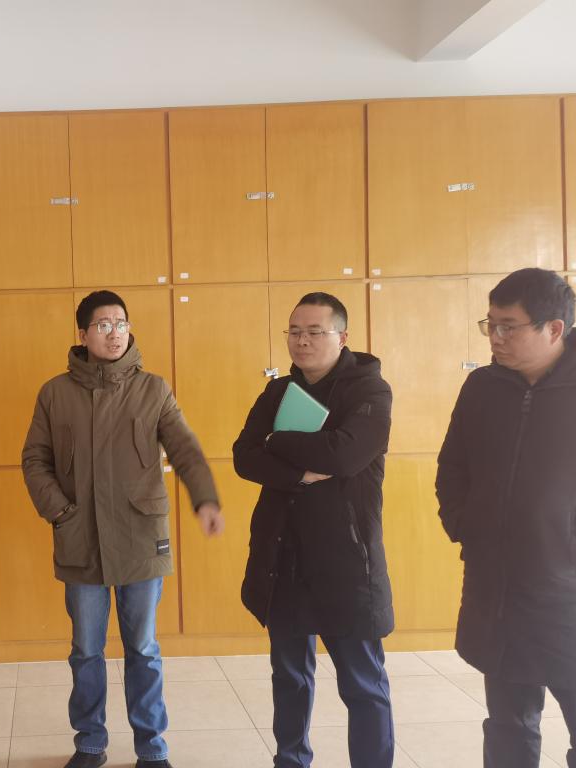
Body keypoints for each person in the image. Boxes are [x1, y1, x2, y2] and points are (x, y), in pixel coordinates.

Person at [22, 290, 223, 768]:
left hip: (140, 539)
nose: (114, 334)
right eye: (103, 325)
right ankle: (90, 743)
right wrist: (60, 512)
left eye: (121, 324)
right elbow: (35, 460)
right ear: (83, 334)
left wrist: (205, 498)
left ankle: (151, 747)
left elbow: (185, 448)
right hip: (80, 538)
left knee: (143, 649)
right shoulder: (55, 393)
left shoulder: (153, 389)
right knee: (86, 650)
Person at [233, 292, 395, 768]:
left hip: (346, 562)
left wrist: (277, 441)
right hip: (283, 557)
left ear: (342, 338)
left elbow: (345, 455)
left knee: (363, 685)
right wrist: (300, 473)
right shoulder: (277, 392)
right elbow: (244, 456)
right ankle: (291, 760)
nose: (301, 341)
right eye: (294, 331)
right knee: (290, 678)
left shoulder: (369, 391)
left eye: (314, 332)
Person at [436, 267, 576, 768]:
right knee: (508, 725)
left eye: (508, 327)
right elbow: (453, 466)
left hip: (565, 593)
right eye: (490, 324)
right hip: (496, 590)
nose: (495, 337)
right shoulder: (482, 386)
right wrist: (464, 525)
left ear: (554, 328)